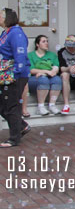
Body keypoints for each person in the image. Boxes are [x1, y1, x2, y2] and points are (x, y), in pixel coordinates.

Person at [0, 8, 31, 147]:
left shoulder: (16, 33)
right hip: (5, 74)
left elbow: (20, 55)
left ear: (8, 18)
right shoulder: (5, 33)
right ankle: (22, 126)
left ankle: (14, 139)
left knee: (11, 106)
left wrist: (15, 75)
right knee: (3, 105)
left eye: (0, 15)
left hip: (14, 75)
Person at [27, 35, 62, 115]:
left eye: (47, 41)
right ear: (37, 44)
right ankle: (41, 107)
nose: (46, 43)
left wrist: (44, 72)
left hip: (49, 77)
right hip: (34, 80)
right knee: (43, 79)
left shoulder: (52, 55)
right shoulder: (30, 55)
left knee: (57, 80)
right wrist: (46, 71)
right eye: (43, 41)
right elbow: (32, 70)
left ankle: (52, 105)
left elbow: (55, 69)